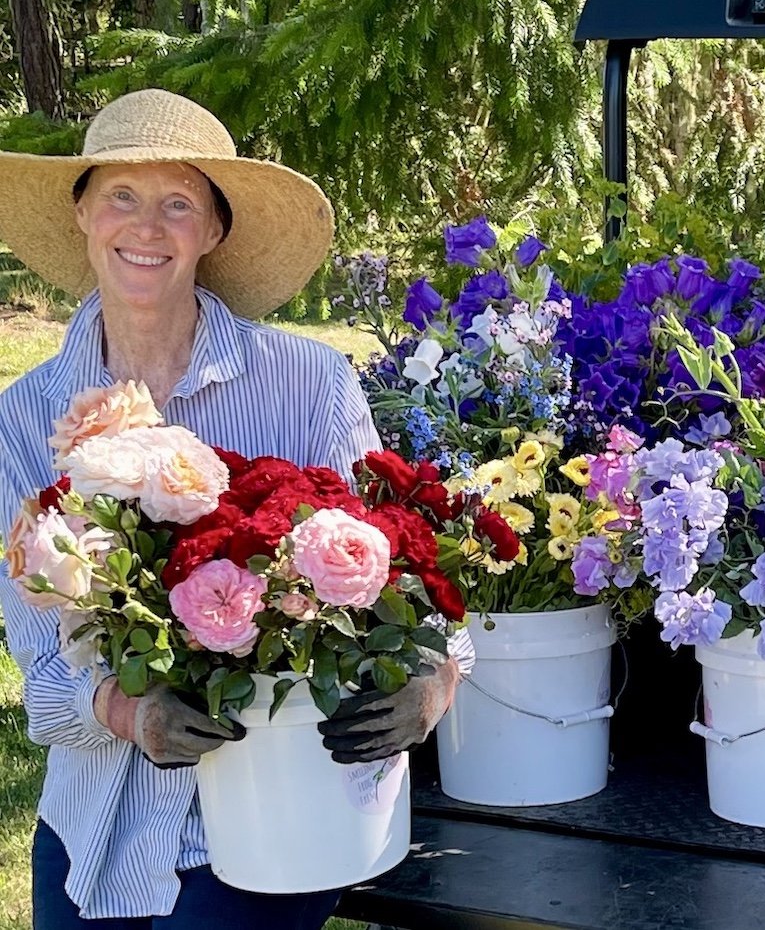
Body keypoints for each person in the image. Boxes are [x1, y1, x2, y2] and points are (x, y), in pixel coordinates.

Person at [0, 89, 473, 929]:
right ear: (82, 213)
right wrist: (127, 709)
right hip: (99, 822)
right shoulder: (26, 415)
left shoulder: (307, 382)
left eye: (178, 203)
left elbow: (411, 566)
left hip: (281, 804)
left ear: (213, 230)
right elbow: (39, 659)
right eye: (121, 195)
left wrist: (432, 684)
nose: (146, 227)